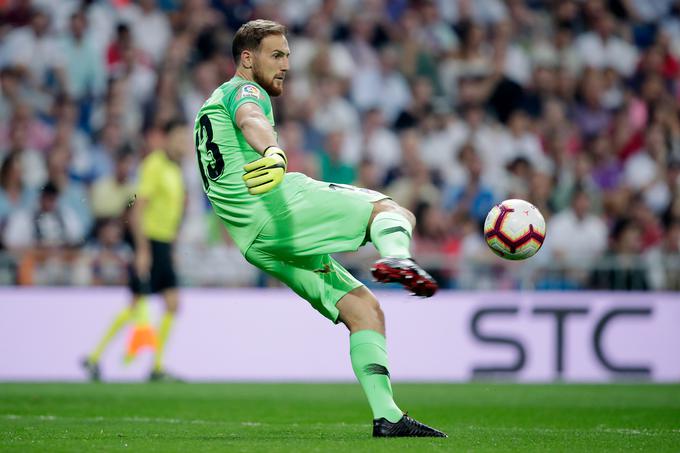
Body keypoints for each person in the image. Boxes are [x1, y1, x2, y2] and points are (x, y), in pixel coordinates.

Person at [194, 19, 445, 438]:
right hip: (277, 210)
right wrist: (272, 150)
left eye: (288, 55)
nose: (286, 64)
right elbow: (251, 117)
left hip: (255, 241)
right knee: (391, 209)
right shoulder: (244, 90)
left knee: (363, 309)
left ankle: (388, 416)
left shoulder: (208, 105)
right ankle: (398, 256)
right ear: (246, 58)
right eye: (276, 55)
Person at [82, 120, 188, 381]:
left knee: (172, 304)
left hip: (164, 244)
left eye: (186, 137)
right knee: (137, 302)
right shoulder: (154, 165)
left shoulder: (176, 170)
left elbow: (172, 213)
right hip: (150, 242)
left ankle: (156, 367)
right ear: (166, 138)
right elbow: (138, 208)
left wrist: (172, 246)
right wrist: (142, 249)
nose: (184, 143)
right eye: (179, 137)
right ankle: (95, 357)